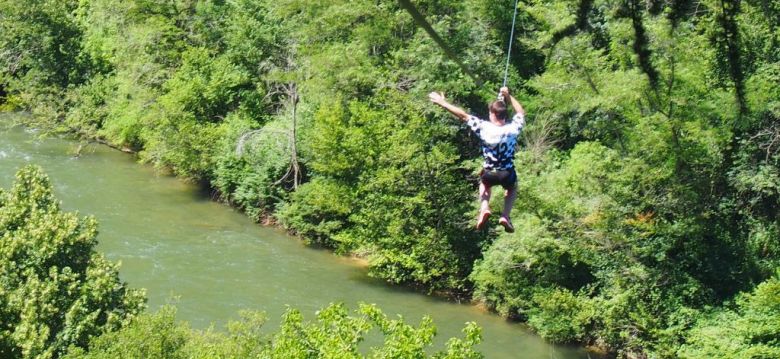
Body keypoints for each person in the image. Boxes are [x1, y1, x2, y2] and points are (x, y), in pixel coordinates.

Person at [429, 87, 525, 232]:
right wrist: (508, 96)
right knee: (512, 188)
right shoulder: (513, 129)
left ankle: (484, 207)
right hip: (506, 173)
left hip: (489, 173)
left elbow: (462, 115)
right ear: (504, 115)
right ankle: (505, 215)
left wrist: (443, 103)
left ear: (492, 114)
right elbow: (520, 112)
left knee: (484, 185)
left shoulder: (484, 127)